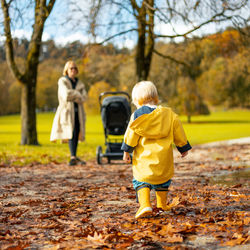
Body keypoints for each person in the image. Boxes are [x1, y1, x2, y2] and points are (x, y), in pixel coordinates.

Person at [121, 81, 192, 219]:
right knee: (163, 181)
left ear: (137, 100)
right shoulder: (169, 114)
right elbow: (179, 132)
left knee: (141, 181)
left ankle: (145, 204)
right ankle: (161, 204)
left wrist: (126, 151)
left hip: (144, 162)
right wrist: (183, 147)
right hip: (163, 160)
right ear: (155, 96)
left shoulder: (137, 116)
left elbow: (130, 135)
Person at [50, 60, 87, 166]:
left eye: (75, 68)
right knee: (70, 132)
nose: (74, 70)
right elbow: (66, 95)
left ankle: (74, 156)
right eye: (71, 68)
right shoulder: (62, 81)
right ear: (67, 70)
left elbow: (84, 97)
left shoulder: (80, 83)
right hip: (67, 111)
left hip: (78, 111)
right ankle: (72, 157)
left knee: (76, 132)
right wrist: (77, 94)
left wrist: (75, 96)